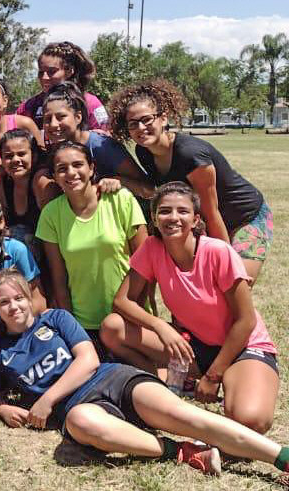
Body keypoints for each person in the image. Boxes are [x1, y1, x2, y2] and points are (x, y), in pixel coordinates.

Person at [0, 269, 289, 482]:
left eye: (19, 298)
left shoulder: (56, 318)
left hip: (111, 378)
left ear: (29, 297)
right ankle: (180, 451)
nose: (14, 306)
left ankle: (280, 456)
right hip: (78, 407)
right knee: (81, 422)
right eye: (4, 302)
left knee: (184, 415)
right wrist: (2, 407)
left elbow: (88, 360)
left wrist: (46, 399)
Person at [101, 182, 278, 433]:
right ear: (154, 218)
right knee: (112, 328)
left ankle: (227, 381)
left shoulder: (218, 252)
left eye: (182, 211)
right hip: (194, 346)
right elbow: (121, 301)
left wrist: (212, 376)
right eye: (164, 211)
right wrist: (161, 326)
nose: (173, 218)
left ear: (196, 220)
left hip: (241, 347)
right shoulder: (152, 248)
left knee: (251, 420)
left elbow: (246, 321)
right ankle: (161, 384)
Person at [108, 78, 272, 284]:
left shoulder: (190, 155)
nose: (141, 128)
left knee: (236, 285)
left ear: (163, 119)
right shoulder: (144, 151)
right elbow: (153, 191)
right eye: (133, 124)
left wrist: (224, 264)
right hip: (206, 220)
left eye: (147, 120)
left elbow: (212, 213)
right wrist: (120, 180)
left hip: (245, 217)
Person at [36, 142, 147, 337]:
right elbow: (59, 279)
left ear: (91, 168)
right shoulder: (50, 214)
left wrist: (136, 310)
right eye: (62, 169)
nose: (71, 173)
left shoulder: (120, 199)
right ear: (54, 177)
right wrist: (71, 331)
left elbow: (145, 263)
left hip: (128, 318)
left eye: (78, 165)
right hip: (84, 324)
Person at [40, 82, 152, 198]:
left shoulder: (102, 147)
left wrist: (117, 181)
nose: (53, 124)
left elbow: (148, 189)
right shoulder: (55, 150)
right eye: (47, 119)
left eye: (61, 117)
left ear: (78, 117)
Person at [18, 41, 109, 131]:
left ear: (69, 71)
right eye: (41, 72)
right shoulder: (27, 107)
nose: (44, 77)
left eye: (52, 71)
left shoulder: (91, 103)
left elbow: (104, 137)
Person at [0, 128, 55, 244]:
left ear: (34, 157)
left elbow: (54, 231)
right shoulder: (2, 187)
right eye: (8, 156)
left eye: (21, 154)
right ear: (2, 161)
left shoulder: (42, 183)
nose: (15, 160)